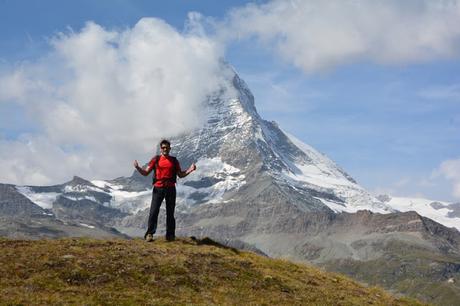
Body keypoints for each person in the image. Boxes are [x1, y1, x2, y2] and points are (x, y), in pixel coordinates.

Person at [134, 139, 196, 242]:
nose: (165, 149)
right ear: (160, 149)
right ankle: (149, 234)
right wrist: (137, 167)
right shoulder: (156, 159)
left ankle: (170, 236)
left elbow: (180, 174)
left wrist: (190, 169)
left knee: (170, 213)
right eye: (163, 147)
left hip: (171, 188)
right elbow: (145, 173)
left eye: (167, 147)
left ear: (170, 148)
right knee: (154, 211)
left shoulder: (174, 161)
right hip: (158, 188)